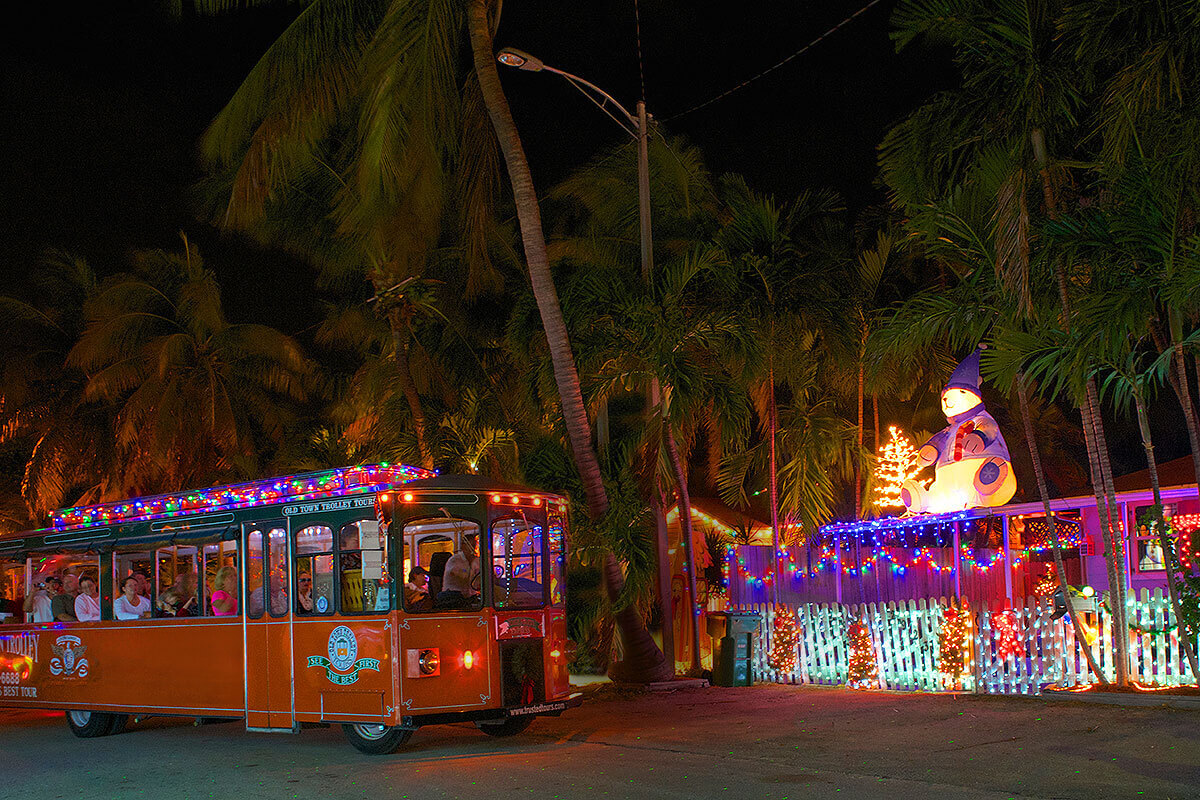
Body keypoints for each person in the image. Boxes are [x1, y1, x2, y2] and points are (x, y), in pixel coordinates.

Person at [437, 534, 481, 609]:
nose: (473, 548)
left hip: (469, 597)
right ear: (463, 546)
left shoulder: (477, 561)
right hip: (453, 596)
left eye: (474, 545)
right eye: (471, 545)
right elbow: (462, 576)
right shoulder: (454, 560)